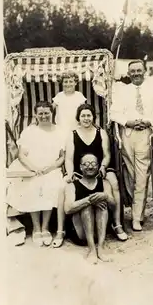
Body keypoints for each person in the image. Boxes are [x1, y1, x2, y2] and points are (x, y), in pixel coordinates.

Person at [53, 103, 127, 247]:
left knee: (114, 182)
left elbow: (106, 155)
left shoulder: (101, 132)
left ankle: (117, 224)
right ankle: (60, 230)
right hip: (79, 170)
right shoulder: (72, 134)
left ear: (93, 117)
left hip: (99, 168)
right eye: (83, 116)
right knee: (63, 187)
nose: (86, 118)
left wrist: (104, 167)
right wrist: (69, 174)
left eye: (89, 115)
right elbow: (68, 158)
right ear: (78, 118)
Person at [110, 59, 153, 231]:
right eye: (132, 71)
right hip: (127, 135)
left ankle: (136, 217)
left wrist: (148, 121)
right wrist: (128, 122)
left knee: (142, 176)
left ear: (144, 71)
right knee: (130, 176)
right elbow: (114, 112)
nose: (135, 74)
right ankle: (134, 208)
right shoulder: (122, 91)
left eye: (138, 70)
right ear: (128, 74)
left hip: (146, 134)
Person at [6, 101, 65, 246]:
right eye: (41, 113)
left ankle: (45, 228)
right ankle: (36, 228)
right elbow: (21, 155)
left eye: (47, 113)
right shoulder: (29, 131)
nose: (44, 116)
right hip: (31, 168)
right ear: (36, 115)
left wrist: (50, 168)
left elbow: (62, 156)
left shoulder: (60, 131)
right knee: (33, 185)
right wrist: (33, 168)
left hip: (51, 168)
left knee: (52, 185)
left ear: (52, 113)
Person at [59, 153, 114, 263]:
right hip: (81, 233)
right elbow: (67, 209)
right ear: (80, 167)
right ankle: (92, 250)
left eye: (93, 163)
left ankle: (101, 248)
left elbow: (114, 204)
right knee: (86, 207)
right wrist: (89, 201)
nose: (90, 166)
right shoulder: (72, 186)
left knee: (102, 204)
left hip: (99, 232)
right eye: (86, 164)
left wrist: (106, 196)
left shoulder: (105, 183)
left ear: (98, 166)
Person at [52, 71, 86, 136]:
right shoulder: (59, 96)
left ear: (75, 83)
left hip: (76, 128)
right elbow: (50, 109)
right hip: (61, 129)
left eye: (70, 81)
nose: (68, 84)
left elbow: (84, 111)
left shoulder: (79, 95)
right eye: (65, 82)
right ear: (62, 83)